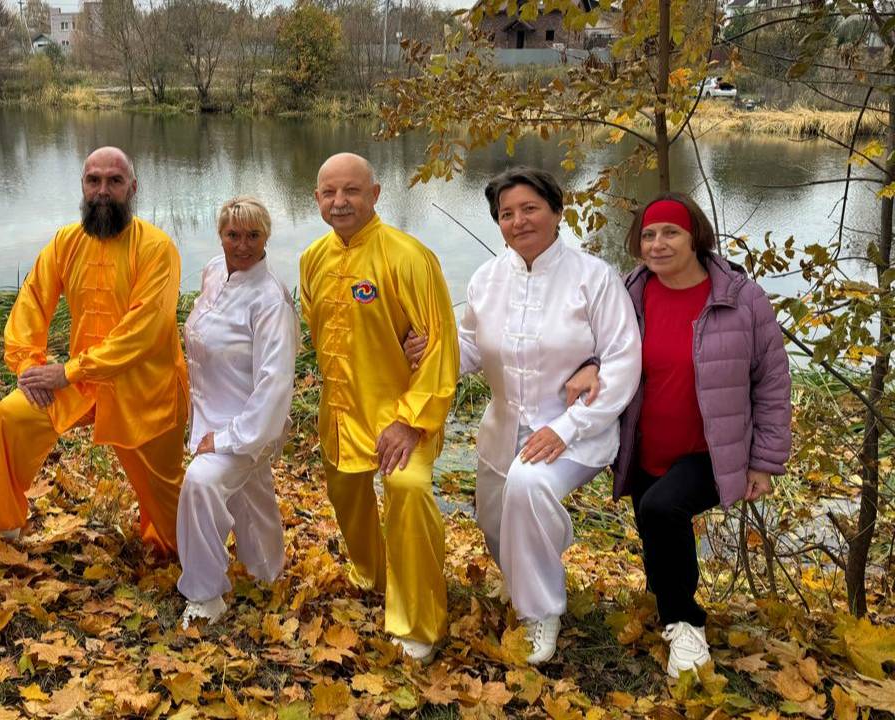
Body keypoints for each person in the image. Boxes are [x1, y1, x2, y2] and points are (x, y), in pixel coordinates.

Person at [407, 166, 640, 664]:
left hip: (576, 428)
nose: (519, 222)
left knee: (528, 486)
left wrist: (567, 427)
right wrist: (431, 351)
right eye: (507, 214)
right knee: (494, 521)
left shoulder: (594, 278)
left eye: (530, 209)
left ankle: (541, 612)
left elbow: (623, 361)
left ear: (557, 211)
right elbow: (470, 349)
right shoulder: (488, 279)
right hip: (503, 428)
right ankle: (528, 573)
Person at [0, 147, 190, 555]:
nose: (103, 191)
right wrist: (28, 365)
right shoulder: (66, 242)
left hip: (146, 389)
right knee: (14, 415)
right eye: (94, 181)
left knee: (166, 504)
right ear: (83, 186)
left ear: (133, 188)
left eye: (114, 181)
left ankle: (184, 556)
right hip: (81, 383)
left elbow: (144, 331)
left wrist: (68, 372)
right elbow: (32, 302)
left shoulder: (157, 248)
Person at [612, 192, 790, 678]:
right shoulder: (628, 293)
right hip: (645, 445)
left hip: (713, 451)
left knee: (661, 509)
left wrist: (764, 461)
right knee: (653, 525)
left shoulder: (740, 298)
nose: (657, 244)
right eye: (648, 235)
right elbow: (595, 348)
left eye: (671, 233)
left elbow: (772, 380)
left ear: (695, 237)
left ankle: (686, 624)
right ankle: (667, 608)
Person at [299, 153, 460, 662]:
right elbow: (319, 333)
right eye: (329, 192)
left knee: (407, 490)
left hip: (403, 414)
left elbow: (440, 346)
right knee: (346, 497)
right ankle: (376, 575)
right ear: (317, 198)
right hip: (341, 411)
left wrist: (410, 421)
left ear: (375, 194)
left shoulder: (409, 257)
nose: (340, 202)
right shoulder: (312, 259)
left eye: (351, 190)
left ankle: (418, 622)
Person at [175, 196, 299, 629]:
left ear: (266, 237)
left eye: (253, 235)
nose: (242, 245)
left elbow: (275, 383)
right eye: (233, 235)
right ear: (220, 235)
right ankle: (266, 571)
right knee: (252, 492)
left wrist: (230, 438)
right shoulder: (214, 271)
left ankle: (205, 594)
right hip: (207, 413)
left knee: (201, 483)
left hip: (248, 424)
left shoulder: (271, 301)